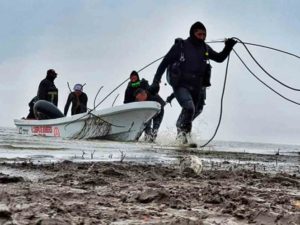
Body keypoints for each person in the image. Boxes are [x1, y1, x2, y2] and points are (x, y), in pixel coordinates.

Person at [150, 21, 237, 144]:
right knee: (189, 108)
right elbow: (164, 63)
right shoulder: (180, 46)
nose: (202, 37)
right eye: (199, 34)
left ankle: (182, 135)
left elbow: (219, 58)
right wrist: (156, 81)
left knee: (195, 111)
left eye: (204, 35)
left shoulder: (205, 48)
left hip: (197, 87)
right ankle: (183, 137)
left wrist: (228, 47)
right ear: (192, 33)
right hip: (181, 85)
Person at [124, 70, 164, 142]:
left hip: (157, 110)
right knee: (145, 126)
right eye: (131, 78)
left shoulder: (144, 85)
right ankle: (145, 139)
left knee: (155, 129)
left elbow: (155, 89)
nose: (133, 79)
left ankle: (151, 140)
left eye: (134, 77)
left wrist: (157, 82)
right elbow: (126, 101)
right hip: (143, 110)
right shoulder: (129, 88)